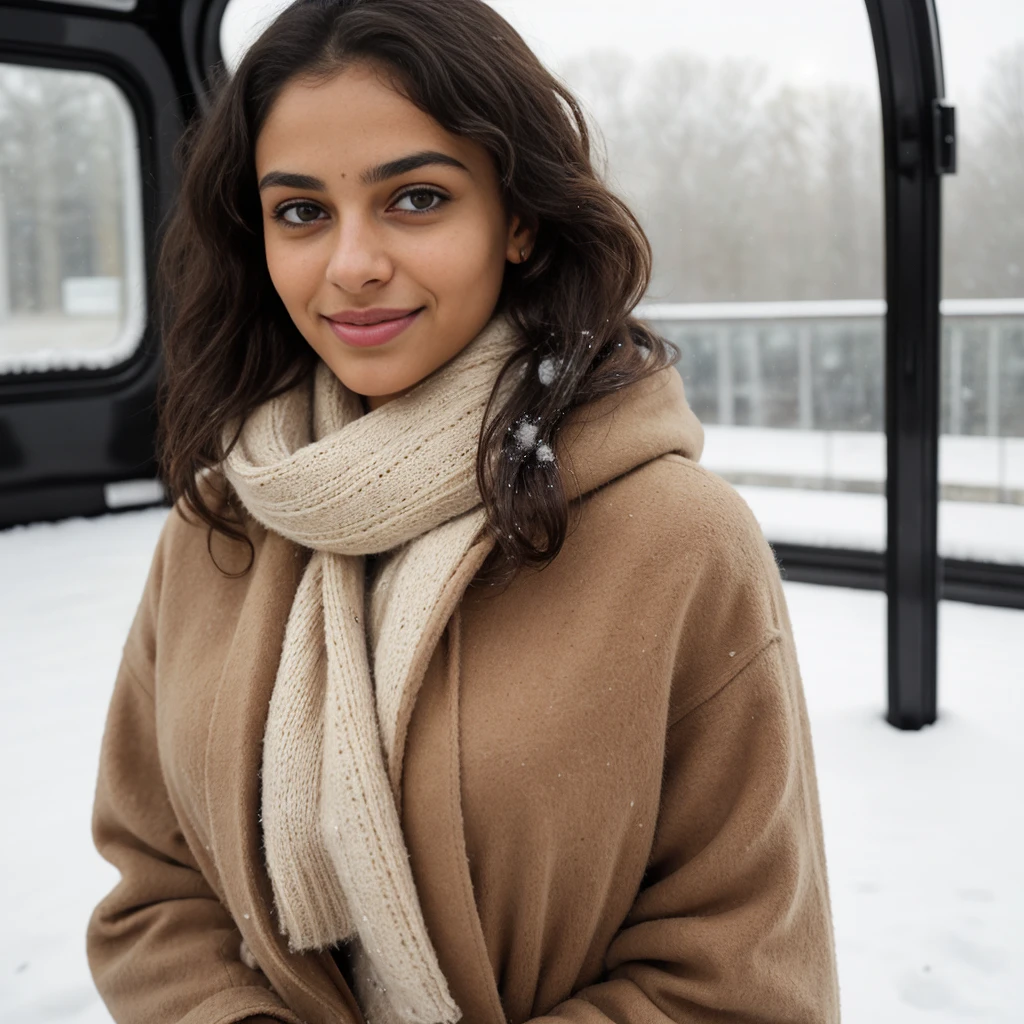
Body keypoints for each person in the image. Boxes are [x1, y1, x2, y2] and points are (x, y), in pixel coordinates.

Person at [86, 1, 840, 1022]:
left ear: (517, 216)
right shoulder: (219, 522)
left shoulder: (681, 543)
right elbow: (154, 886)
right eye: (301, 211)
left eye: (416, 199)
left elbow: (740, 974)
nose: (351, 263)